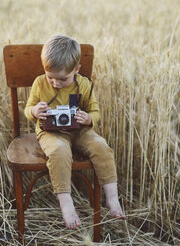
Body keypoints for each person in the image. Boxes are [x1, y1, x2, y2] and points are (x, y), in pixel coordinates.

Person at [24, 35, 125, 229]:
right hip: (50, 132)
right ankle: (66, 202)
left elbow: (95, 112)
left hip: (79, 130)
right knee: (59, 150)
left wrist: (88, 118)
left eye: (62, 79)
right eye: (50, 77)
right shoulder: (39, 83)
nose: (55, 83)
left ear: (76, 70)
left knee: (101, 146)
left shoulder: (84, 85)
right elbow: (28, 109)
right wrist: (35, 111)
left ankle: (112, 198)